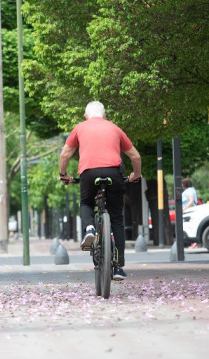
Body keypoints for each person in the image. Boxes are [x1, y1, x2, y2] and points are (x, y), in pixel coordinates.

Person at [59, 101, 141, 280]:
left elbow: (65, 154)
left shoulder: (80, 127)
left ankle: (89, 229)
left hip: (88, 173)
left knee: (86, 202)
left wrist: (63, 174)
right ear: (105, 116)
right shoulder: (115, 128)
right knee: (117, 219)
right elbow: (135, 155)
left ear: (86, 116)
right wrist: (136, 174)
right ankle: (118, 267)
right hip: (114, 172)